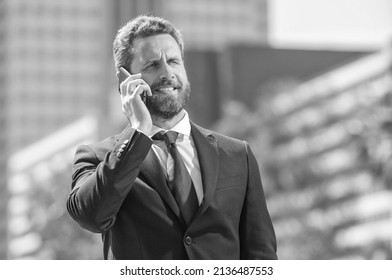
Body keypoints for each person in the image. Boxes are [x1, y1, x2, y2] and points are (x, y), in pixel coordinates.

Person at [67, 15, 277, 260]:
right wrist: (138, 130)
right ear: (125, 80)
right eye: (152, 65)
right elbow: (91, 216)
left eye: (174, 61)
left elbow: (261, 256)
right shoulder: (98, 157)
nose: (168, 73)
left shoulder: (237, 154)